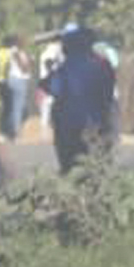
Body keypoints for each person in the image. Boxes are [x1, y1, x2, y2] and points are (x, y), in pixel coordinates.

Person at [40, 23, 117, 173]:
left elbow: (52, 88)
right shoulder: (102, 64)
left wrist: (50, 72)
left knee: (69, 165)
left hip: (67, 123)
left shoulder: (65, 67)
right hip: (97, 122)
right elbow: (109, 90)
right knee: (97, 165)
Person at [0, 36, 33, 140]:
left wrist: (6, 78)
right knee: (18, 107)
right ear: (21, 43)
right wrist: (29, 64)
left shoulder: (14, 52)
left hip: (12, 80)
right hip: (19, 80)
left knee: (14, 106)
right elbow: (23, 68)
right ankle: (16, 131)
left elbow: (7, 66)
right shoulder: (17, 53)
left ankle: (10, 130)